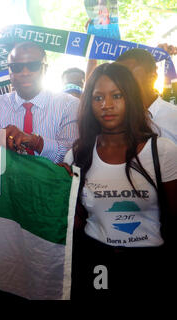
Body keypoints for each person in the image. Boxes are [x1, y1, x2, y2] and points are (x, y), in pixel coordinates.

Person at [63, 62, 177, 299]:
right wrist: (61, 191)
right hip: (97, 261)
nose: (107, 105)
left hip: (150, 263)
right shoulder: (78, 154)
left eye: (117, 95)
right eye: (98, 98)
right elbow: (73, 222)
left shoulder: (162, 151)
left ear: (131, 99)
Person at [0, 41, 79, 163]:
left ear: (45, 68)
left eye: (33, 66)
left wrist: (35, 142)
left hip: (48, 181)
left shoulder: (69, 105)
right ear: (9, 71)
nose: (25, 73)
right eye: (16, 67)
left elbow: (72, 156)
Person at [116, 48, 177, 144]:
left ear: (152, 77)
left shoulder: (174, 117)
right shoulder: (114, 119)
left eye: (128, 77)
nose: (120, 84)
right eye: (117, 78)